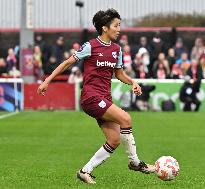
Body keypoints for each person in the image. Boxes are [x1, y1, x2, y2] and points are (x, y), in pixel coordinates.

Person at [37, 9, 154, 184]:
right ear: (104, 28)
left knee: (114, 140)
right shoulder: (91, 45)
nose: (119, 29)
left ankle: (85, 171)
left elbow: (119, 74)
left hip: (104, 99)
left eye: (119, 25)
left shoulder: (117, 49)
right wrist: (48, 80)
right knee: (126, 119)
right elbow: (67, 63)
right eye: (116, 25)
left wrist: (133, 82)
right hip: (91, 97)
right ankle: (135, 162)